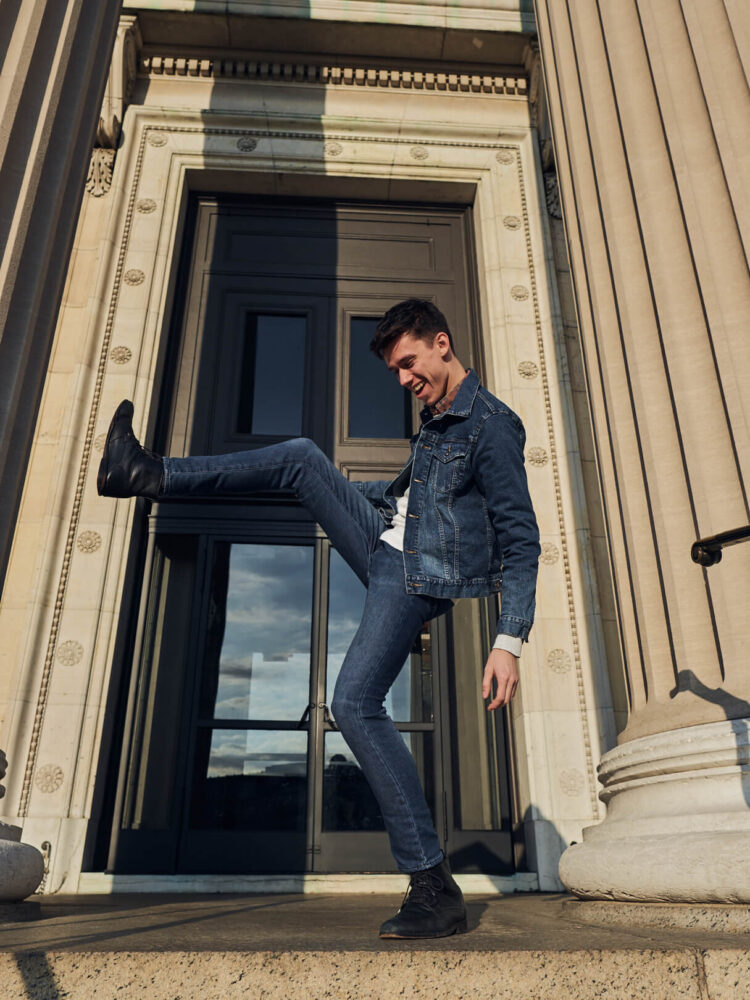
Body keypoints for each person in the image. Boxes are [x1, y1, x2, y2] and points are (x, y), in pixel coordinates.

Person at [97, 298, 540, 939]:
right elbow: (411, 503)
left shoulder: (492, 425)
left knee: (355, 704)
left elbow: (521, 540)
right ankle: (145, 473)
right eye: (393, 370)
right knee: (301, 459)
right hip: (387, 538)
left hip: (414, 577)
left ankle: (434, 887)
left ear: (442, 343)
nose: (403, 380)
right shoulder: (437, 419)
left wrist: (509, 640)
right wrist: (330, 489)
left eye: (409, 364)